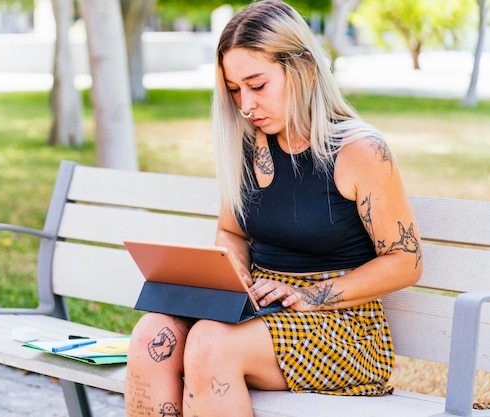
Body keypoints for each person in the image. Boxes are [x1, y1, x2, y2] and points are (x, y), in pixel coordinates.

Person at [124, 1, 423, 416]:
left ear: (303, 67)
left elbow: (405, 261)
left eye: (257, 85)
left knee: (210, 345)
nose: (245, 105)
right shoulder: (247, 145)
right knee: (150, 336)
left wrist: (308, 295)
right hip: (260, 309)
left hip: (341, 326)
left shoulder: (359, 150)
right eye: (234, 89)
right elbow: (232, 232)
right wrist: (236, 275)